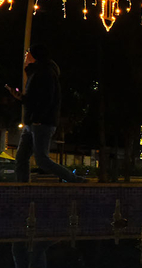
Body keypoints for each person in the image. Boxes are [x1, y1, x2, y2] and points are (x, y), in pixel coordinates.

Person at [6, 45, 85, 183]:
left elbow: (47, 99)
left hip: (41, 122)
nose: (25, 58)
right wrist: (20, 97)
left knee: (42, 159)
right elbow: (34, 99)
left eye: (28, 55)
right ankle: (22, 188)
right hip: (33, 122)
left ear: (35, 57)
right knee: (22, 157)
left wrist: (38, 118)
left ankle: (74, 179)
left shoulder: (45, 73)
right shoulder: (36, 73)